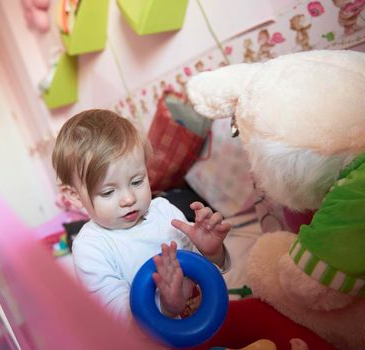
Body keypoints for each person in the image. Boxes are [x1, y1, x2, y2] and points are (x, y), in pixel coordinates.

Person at [52, 109, 231, 324]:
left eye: (137, 181)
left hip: (204, 326)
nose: (128, 198)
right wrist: (165, 307)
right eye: (108, 192)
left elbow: (204, 273)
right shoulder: (91, 248)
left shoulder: (164, 211)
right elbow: (118, 319)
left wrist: (212, 253)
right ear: (75, 196)